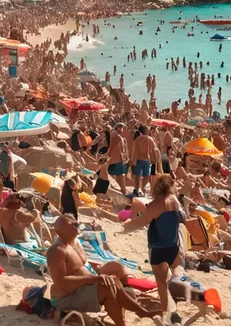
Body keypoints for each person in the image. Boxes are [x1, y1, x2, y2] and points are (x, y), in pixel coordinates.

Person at [47, 215, 159, 326]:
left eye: (77, 223)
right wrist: (92, 279)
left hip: (83, 287)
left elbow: (79, 266)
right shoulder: (57, 251)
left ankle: (142, 312)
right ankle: (121, 324)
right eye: (73, 225)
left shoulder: (75, 242)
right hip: (67, 296)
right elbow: (60, 282)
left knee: (114, 282)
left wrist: (98, 274)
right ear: (60, 230)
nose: (77, 226)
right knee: (106, 288)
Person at [123, 175, 180, 313]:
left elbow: (141, 221)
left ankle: (165, 311)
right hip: (174, 245)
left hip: (159, 247)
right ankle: (175, 303)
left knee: (161, 283)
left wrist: (126, 224)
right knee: (174, 276)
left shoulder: (157, 203)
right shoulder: (174, 200)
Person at [129, 125, 156, 196]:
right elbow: (153, 151)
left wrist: (133, 161)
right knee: (146, 176)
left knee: (137, 177)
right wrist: (154, 160)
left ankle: (137, 190)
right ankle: (142, 188)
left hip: (139, 160)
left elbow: (134, 152)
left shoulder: (137, 139)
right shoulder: (150, 139)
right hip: (147, 160)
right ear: (145, 130)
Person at [107, 123, 128, 194]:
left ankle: (121, 190)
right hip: (116, 159)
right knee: (119, 176)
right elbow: (112, 146)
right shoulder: (115, 134)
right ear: (118, 128)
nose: (122, 130)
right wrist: (108, 155)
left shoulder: (115, 134)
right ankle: (122, 191)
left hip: (117, 159)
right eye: (121, 128)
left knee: (117, 176)